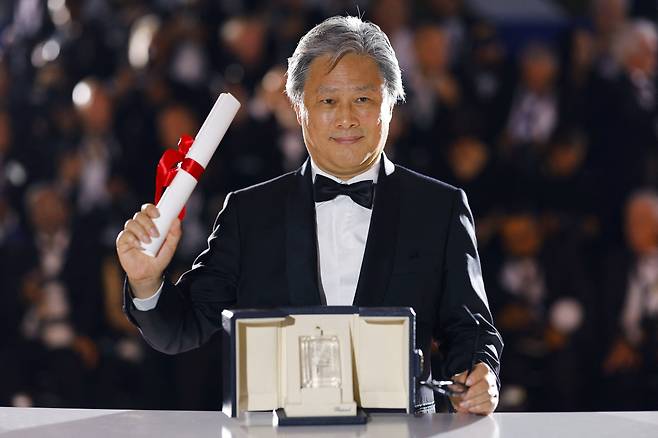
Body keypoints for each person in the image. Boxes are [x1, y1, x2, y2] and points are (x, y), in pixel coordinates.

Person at [116, 16, 503, 415]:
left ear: (391, 105)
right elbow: (180, 329)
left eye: (364, 99)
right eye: (328, 100)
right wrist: (146, 283)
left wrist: (479, 376)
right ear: (298, 108)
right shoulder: (249, 213)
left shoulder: (439, 207)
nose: (347, 118)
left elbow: (470, 328)